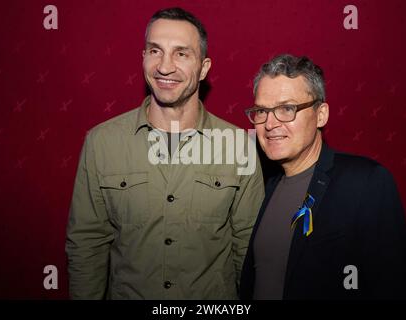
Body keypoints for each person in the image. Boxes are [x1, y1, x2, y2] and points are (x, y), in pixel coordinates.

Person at [65, 7, 264, 299]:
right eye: (155, 51)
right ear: (143, 57)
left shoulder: (239, 147)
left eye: (181, 53)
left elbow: (249, 250)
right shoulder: (101, 143)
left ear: (204, 67)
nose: (165, 67)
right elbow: (87, 246)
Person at [240, 54, 406, 299]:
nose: (270, 123)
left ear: (321, 114)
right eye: (261, 111)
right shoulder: (263, 185)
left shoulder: (366, 183)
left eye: (287, 109)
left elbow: (394, 287)